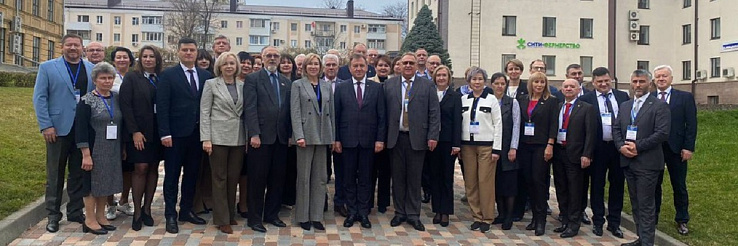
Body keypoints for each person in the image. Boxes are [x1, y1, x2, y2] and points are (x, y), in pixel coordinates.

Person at [33, 33, 93, 233]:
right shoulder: (48, 67)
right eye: (69, 45)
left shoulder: (91, 69)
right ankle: (53, 215)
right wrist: (46, 125)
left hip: (82, 130)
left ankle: (75, 211)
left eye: (77, 45)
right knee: (55, 174)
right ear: (62, 47)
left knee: (78, 172)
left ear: (82, 48)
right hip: (57, 129)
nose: (73, 48)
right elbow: (40, 98)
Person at [156, 38, 213, 234]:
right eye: (185, 50)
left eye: (192, 50)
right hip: (175, 135)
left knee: (192, 175)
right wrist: (164, 133)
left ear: (197, 53)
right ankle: (170, 214)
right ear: (178, 52)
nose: (189, 53)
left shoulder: (206, 76)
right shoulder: (168, 75)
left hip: (197, 135)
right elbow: (162, 106)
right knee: (171, 176)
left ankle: (186, 210)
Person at [612, 69, 670, 246]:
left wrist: (638, 146)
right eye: (635, 81)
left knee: (646, 205)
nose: (638, 85)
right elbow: (616, 129)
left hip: (648, 163)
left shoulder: (659, 106)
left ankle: (647, 243)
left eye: (642, 81)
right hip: (628, 161)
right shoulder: (625, 106)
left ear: (650, 83)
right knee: (636, 203)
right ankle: (641, 238)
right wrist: (621, 147)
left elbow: (662, 133)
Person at [384, 52, 440, 232]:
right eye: (404, 63)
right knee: (398, 177)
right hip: (395, 137)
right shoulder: (389, 84)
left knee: (415, 179)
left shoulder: (427, 85)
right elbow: (383, 113)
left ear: (416, 65)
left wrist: (433, 135)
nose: (407, 65)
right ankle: (399, 212)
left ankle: (413, 214)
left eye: (411, 63)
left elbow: (434, 112)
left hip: (417, 138)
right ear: (399, 65)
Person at [243, 46, 293, 233]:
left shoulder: (285, 82)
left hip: (280, 138)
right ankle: (254, 218)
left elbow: (288, 111)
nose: (272, 58)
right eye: (268, 56)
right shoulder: (253, 79)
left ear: (279, 59)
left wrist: (289, 135)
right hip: (261, 138)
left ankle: (272, 214)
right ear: (262, 58)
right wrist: (253, 134)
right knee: (257, 179)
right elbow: (250, 108)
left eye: (275, 56)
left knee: (277, 178)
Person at [334, 53, 386, 229]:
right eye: (355, 66)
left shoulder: (376, 88)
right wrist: (336, 140)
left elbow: (381, 117)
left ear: (367, 68)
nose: (358, 69)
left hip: (368, 142)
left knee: (366, 179)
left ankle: (363, 213)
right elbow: (336, 116)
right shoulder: (341, 88)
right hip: (347, 142)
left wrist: (380, 139)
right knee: (348, 179)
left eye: (361, 66)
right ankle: (352, 212)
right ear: (350, 69)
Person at [578, 67, 629, 238]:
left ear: (611, 80)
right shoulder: (586, 99)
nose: (603, 84)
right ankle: (598, 221)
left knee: (617, 186)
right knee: (597, 185)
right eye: (599, 81)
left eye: (606, 80)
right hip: (597, 148)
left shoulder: (622, 97)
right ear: (593, 82)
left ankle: (614, 222)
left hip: (618, 148)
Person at [74, 62, 123, 235]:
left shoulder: (116, 98)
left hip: (113, 148)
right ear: (95, 80)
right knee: (91, 184)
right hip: (94, 149)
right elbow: (80, 129)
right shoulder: (87, 101)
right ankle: (89, 219)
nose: (107, 81)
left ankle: (101, 217)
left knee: (106, 182)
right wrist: (85, 154)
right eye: (103, 78)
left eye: (110, 78)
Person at [119, 45, 164, 231]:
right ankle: (137, 211)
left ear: (157, 59)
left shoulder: (162, 77)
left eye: (151, 56)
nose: (148, 59)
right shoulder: (132, 77)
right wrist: (134, 131)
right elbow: (125, 105)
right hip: (138, 131)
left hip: (158, 131)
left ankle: (147, 209)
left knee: (153, 167)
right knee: (140, 167)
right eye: (144, 56)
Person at [200, 51, 245, 234]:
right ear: (219, 66)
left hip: (238, 137)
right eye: (225, 63)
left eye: (232, 64)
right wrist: (206, 138)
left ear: (237, 66)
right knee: (219, 178)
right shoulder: (211, 84)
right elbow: (205, 112)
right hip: (217, 137)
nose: (229, 66)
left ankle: (230, 214)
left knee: (233, 178)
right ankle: (221, 218)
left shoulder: (242, 85)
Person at [290, 53, 334, 231]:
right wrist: (298, 135)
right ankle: (303, 216)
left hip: (323, 135)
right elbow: (295, 112)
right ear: (304, 67)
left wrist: (333, 137)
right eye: (310, 64)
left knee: (320, 178)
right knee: (304, 178)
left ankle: (316, 216)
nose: (314, 67)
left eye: (316, 64)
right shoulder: (297, 85)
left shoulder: (326, 85)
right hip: (305, 136)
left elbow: (332, 113)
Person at [652, 65, 697, 236]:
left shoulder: (684, 97)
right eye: (658, 77)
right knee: (654, 184)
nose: (661, 79)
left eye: (664, 76)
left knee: (679, 184)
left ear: (671, 78)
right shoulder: (650, 97)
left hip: (676, 148)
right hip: (655, 148)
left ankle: (682, 219)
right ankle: (653, 217)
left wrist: (688, 147)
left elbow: (691, 125)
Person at [551, 79, 597, 238]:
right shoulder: (557, 107)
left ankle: (573, 223)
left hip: (576, 155)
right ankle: (564, 218)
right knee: (561, 187)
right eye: (566, 86)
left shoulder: (586, 108)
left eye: (572, 86)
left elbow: (591, 133)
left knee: (575, 190)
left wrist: (587, 154)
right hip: (558, 153)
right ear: (561, 90)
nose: (569, 89)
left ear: (579, 90)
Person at [459, 67, 502, 233]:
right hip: (467, 146)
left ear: (485, 81)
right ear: (469, 82)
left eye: (480, 79)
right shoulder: (463, 99)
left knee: (485, 182)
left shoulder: (491, 100)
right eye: (473, 79)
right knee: (471, 183)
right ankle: (476, 216)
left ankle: (487, 217)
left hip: (486, 146)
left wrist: (496, 149)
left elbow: (498, 125)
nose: (477, 82)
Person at [517, 72, 559, 236]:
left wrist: (550, 144)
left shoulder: (551, 102)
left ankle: (541, 219)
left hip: (542, 146)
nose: (539, 85)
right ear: (531, 84)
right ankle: (534, 217)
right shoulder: (523, 99)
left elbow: (554, 124)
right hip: (524, 146)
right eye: (536, 82)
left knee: (539, 181)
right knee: (528, 181)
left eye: (542, 82)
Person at [428, 65, 461, 228]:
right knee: (434, 176)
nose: (441, 78)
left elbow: (457, 121)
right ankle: (437, 210)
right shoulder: (430, 93)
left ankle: (446, 211)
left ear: (449, 78)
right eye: (438, 75)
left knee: (446, 177)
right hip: (432, 142)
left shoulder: (454, 96)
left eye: (444, 75)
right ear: (434, 77)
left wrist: (457, 144)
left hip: (448, 142)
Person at [488, 72, 521, 231]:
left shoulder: (512, 103)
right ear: (492, 85)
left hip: (508, 149)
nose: (499, 86)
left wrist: (513, 147)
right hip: (492, 149)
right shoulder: (488, 101)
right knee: (496, 183)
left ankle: (509, 216)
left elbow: (516, 126)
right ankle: (500, 214)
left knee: (509, 185)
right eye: (497, 83)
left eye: (502, 83)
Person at [107, 46, 135, 221]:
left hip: (130, 124)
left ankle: (124, 200)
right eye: (118, 57)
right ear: (113, 60)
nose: (122, 60)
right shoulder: (108, 76)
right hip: (110, 124)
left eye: (125, 57)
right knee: (110, 164)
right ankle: (110, 204)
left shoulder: (135, 77)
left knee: (128, 166)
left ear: (130, 60)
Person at [322, 53, 349, 217]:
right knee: (322, 171)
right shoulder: (316, 84)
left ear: (338, 67)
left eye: (334, 65)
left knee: (341, 171)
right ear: (323, 67)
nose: (331, 68)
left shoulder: (345, 85)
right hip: (321, 135)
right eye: (328, 65)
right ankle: (322, 200)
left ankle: (340, 202)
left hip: (341, 136)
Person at [367, 55, 393, 213]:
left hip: (389, 134)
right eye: (380, 65)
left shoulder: (394, 84)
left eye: (386, 66)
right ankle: (368, 201)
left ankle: (383, 203)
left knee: (386, 171)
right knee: (370, 171)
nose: (383, 68)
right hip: (371, 133)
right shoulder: (369, 83)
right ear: (375, 67)